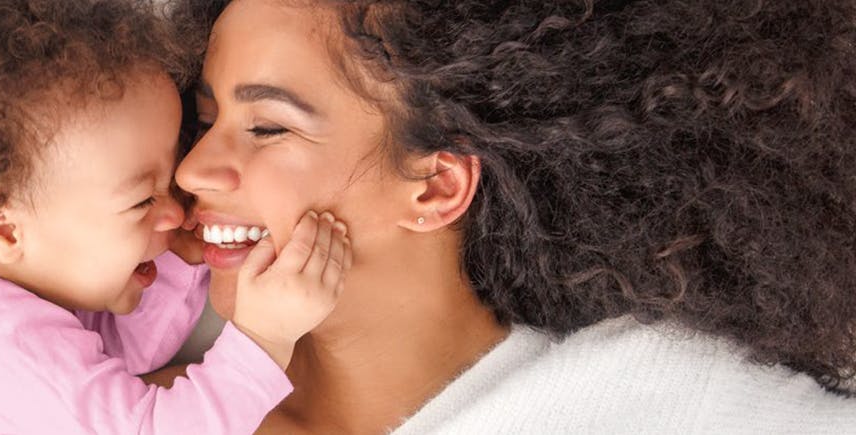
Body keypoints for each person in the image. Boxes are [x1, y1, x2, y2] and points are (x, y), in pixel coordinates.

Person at [171, 0, 856, 432]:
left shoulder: (663, 392)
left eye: (267, 128)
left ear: (437, 186)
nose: (192, 169)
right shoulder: (137, 412)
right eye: (206, 120)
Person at [0, 0, 351, 433]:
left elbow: (115, 363)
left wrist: (180, 266)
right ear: (0, 228)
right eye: (142, 201)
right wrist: (263, 339)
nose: (175, 206)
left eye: (168, 178)